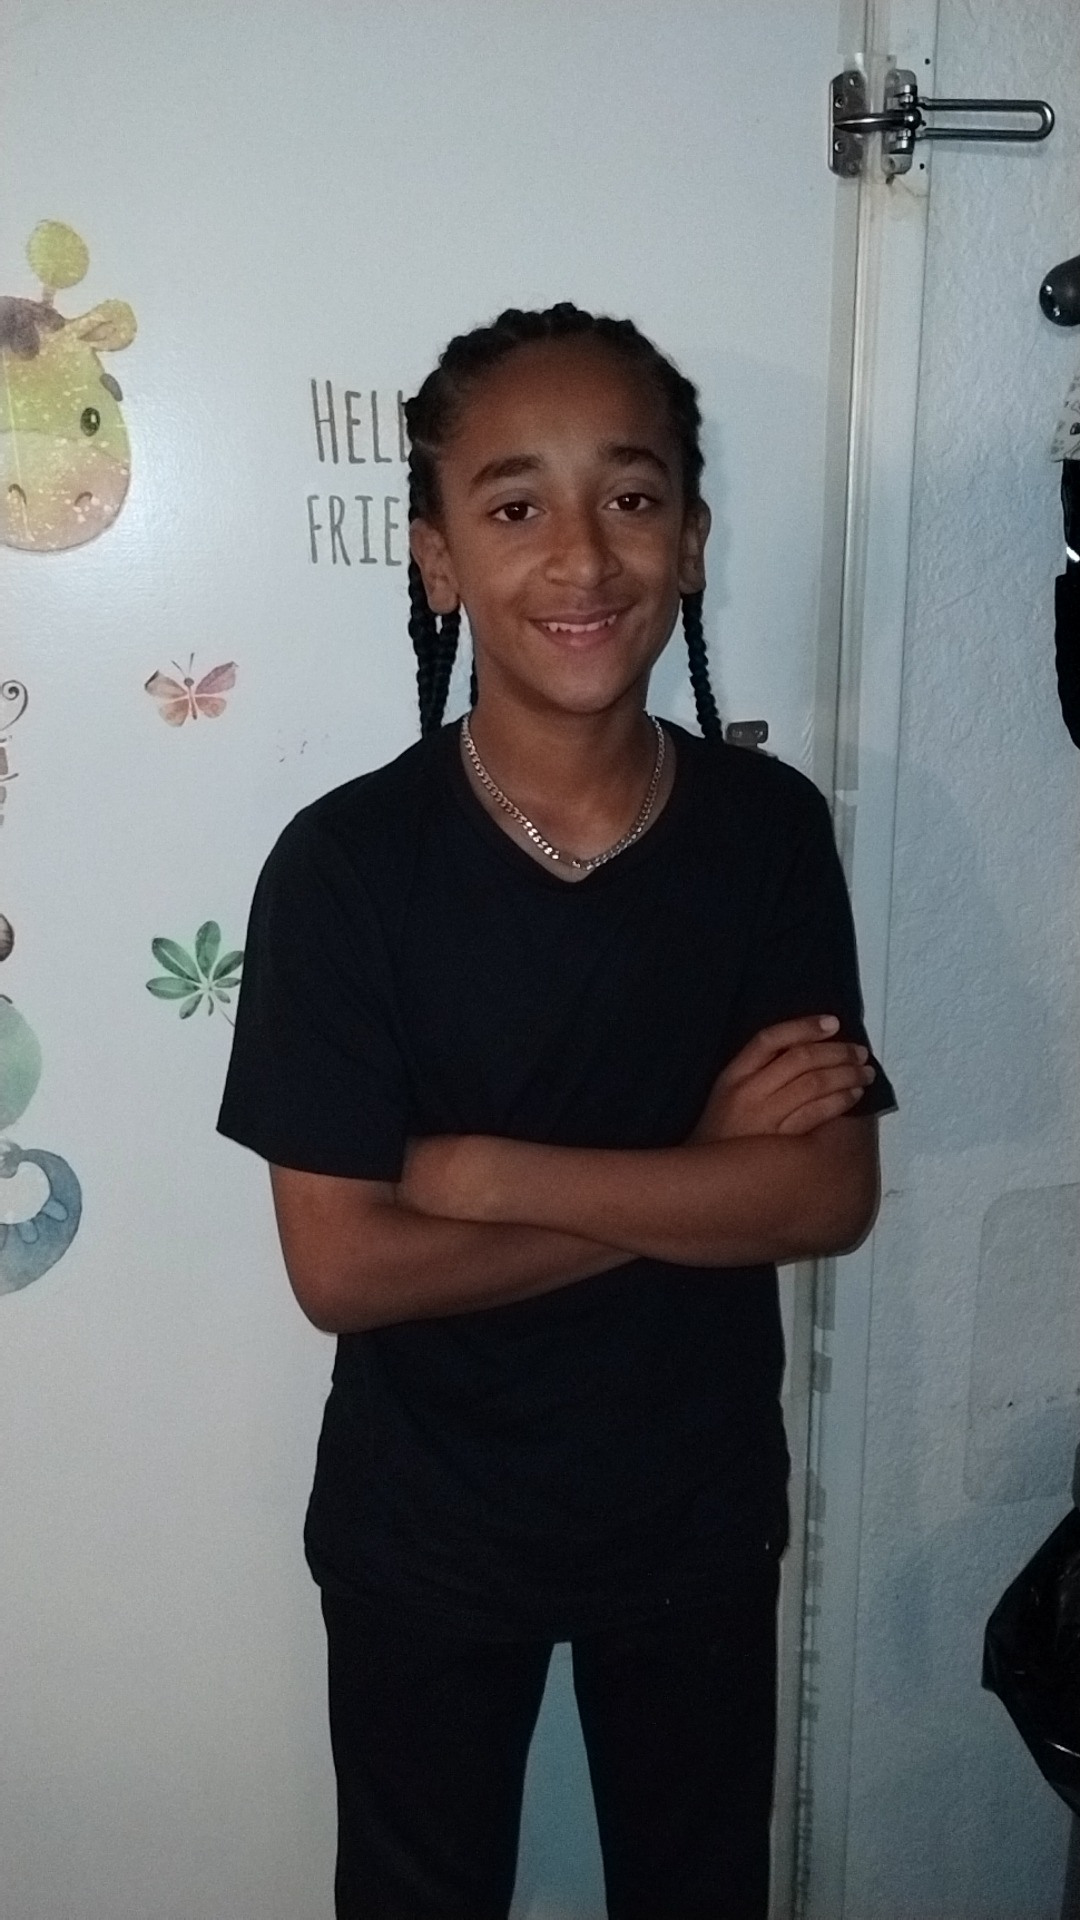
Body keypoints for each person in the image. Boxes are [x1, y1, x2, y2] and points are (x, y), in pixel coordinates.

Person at [217, 302, 896, 1920]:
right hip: (424, 1533)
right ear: (438, 558)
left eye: (633, 497)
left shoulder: (766, 835)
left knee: (699, 1888)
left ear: (693, 541)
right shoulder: (346, 868)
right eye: (516, 505)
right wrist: (700, 1173)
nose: (583, 555)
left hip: (695, 1517)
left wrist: (484, 1173)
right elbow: (345, 1269)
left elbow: (823, 1198)